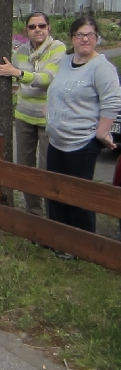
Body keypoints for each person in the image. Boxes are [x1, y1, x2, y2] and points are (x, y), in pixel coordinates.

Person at [45, 16, 121, 256]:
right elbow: (55, 90)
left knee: (78, 196)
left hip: (82, 142)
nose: (85, 39)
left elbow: (112, 101)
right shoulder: (65, 62)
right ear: (72, 38)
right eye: (80, 34)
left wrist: (102, 132)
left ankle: (81, 247)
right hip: (57, 139)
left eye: (90, 34)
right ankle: (58, 240)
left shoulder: (102, 68)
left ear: (97, 38)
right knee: (55, 192)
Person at [0, 12, 65, 216]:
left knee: (47, 168)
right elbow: (16, 79)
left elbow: (47, 78)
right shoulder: (20, 52)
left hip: (48, 117)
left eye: (41, 26)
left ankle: (52, 215)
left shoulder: (58, 48)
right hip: (24, 115)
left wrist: (18, 73)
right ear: (26, 30)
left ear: (49, 28)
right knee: (25, 167)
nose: (37, 30)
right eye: (32, 27)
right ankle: (33, 213)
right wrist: (18, 76)